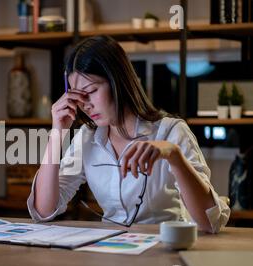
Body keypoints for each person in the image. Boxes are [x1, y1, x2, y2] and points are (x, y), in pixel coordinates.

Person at [27, 36, 230, 233]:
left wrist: (174, 156)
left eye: (91, 90)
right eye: (78, 96)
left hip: (164, 250)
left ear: (117, 81)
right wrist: (57, 132)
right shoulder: (86, 137)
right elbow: (43, 211)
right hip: (113, 252)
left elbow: (208, 223)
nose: (85, 104)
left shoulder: (171, 131)